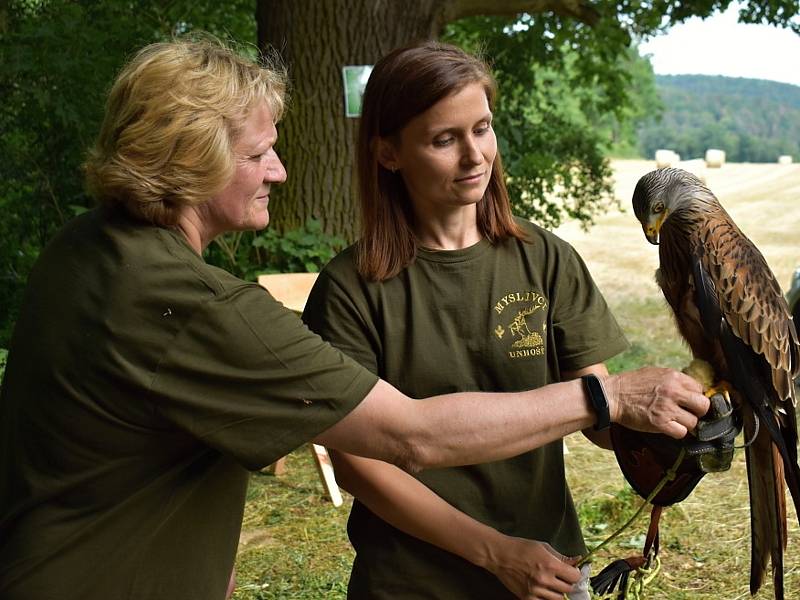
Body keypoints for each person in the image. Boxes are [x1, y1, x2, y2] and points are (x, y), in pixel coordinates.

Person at [0, 36, 709, 600]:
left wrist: (670, 438)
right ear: (189, 163)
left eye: (483, 129)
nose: (279, 170)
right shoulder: (190, 302)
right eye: (258, 154)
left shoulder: (86, 249)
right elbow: (403, 438)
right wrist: (607, 396)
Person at [301, 40, 654, 600]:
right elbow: (357, 465)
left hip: (549, 570)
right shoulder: (351, 289)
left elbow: (601, 418)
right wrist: (496, 553)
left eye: (483, 128)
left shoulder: (545, 259)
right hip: (413, 581)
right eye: (445, 139)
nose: (476, 156)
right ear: (388, 153)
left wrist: (673, 429)